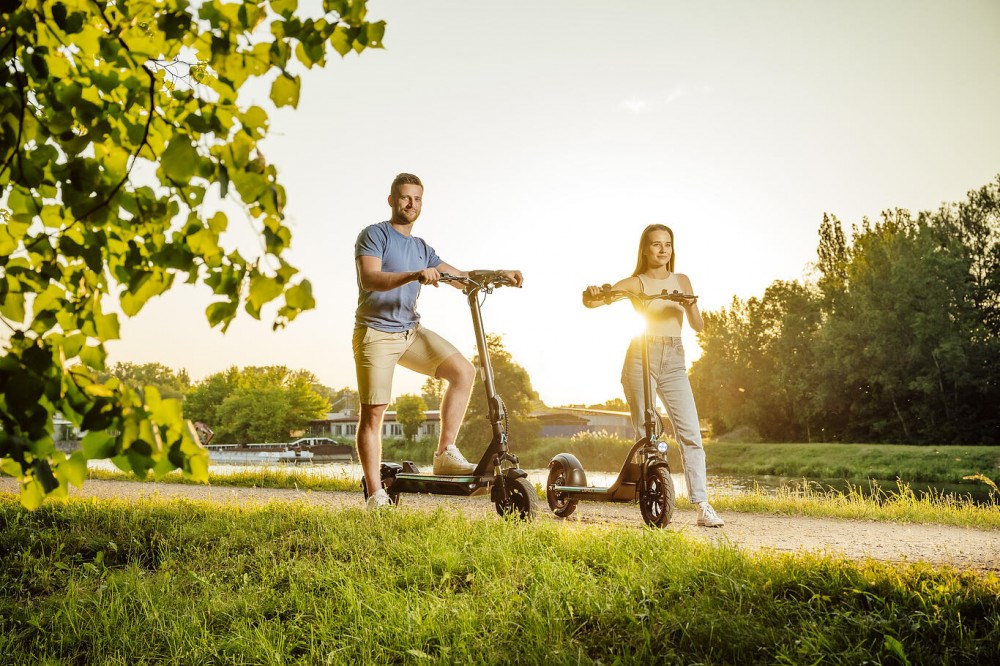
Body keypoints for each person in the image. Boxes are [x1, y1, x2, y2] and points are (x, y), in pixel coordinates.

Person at [354, 173, 523, 511]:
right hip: (375, 332)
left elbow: (460, 278)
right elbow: (370, 278)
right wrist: (415, 275)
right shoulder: (374, 234)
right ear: (392, 200)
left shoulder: (421, 248)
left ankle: (445, 454)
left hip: (410, 331)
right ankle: (376, 494)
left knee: (463, 372)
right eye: (404, 197)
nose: (410, 204)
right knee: (374, 413)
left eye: (416, 199)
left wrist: (496, 274)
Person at [584, 224, 724, 527]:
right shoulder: (637, 283)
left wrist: (689, 305)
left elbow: (698, 326)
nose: (663, 250)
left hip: (674, 359)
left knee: (692, 434)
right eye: (656, 244)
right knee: (649, 431)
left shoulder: (682, 280)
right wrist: (595, 292)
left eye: (668, 244)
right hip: (641, 357)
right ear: (645, 249)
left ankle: (702, 505)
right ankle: (651, 493)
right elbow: (595, 301)